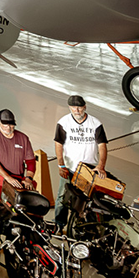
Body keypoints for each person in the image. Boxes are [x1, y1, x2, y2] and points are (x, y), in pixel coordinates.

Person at [54, 94, 108, 222]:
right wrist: (61, 165)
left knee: (88, 199)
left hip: (89, 170)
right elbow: (58, 144)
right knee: (62, 197)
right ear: (69, 108)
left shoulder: (95, 123)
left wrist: (101, 166)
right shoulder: (63, 123)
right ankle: (59, 224)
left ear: (85, 107)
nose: (76, 110)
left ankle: (82, 225)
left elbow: (102, 146)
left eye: (79, 107)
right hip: (69, 169)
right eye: (73, 107)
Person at [0, 109, 36, 218]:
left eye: (11, 125)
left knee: (15, 211)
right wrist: (7, 177)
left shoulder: (23, 138)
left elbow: (30, 161)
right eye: (5, 125)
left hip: (16, 181)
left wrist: (28, 178)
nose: (8, 128)